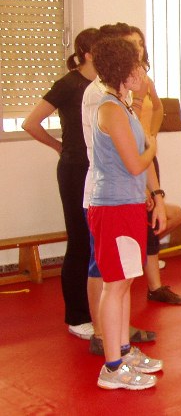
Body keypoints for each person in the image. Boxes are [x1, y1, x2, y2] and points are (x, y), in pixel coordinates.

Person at [88, 37, 164, 390]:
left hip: (129, 205)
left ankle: (123, 349)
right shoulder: (110, 109)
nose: (143, 72)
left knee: (126, 282)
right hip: (113, 208)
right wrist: (152, 147)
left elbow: (131, 166)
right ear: (122, 70)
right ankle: (112, 368)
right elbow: (135, 163)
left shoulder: (126, 106)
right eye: (137, 65)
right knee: (114, 285)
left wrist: (150, 195)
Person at [22, 28, 100, 340]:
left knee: (97, 240)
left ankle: (96, 308)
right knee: (80, 240)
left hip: (98, 169)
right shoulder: (68, 84)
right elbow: (30, 122)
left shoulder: (101, 84)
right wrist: (59, 147)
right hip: (74, 170)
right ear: (88, 53)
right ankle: (77, 317)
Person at [126, 25, 181, 305]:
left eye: (140, 42)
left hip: (148, 155)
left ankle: (155, 286)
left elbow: (159, 108)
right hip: (130, 161)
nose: (137, 47)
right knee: (139, 220)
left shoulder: (145, 79)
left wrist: (150, 134)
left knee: (154, 219)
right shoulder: (120, 82)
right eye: (131, 43)